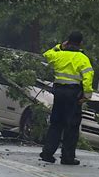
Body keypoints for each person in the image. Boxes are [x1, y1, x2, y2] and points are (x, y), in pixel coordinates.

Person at [39, 31, 94, 165]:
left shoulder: (59, 55)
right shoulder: (82, 58)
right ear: (81, 43)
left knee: (56, 123)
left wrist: (59, 47)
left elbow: (47, 55)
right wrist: (86, 96)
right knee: (72, 125)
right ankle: (67, 157)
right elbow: (88, 77)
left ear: (67, 42)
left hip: (58, 92)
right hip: (73, 94)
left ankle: (47, 153)